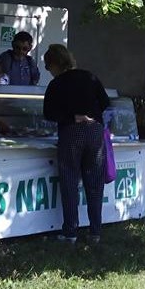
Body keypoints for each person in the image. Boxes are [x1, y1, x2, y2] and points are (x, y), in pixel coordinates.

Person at [43, 44, 110, 244]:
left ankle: (70, 231)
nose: (49, 71)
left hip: (71, 133)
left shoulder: (56, 84)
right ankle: (95, 232)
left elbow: (49, 114)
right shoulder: (90, 77)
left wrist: (73, 116)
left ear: (55, 64)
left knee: (70, 181)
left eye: (48, 66)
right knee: (95, 183)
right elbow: (105, 102)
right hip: (95, 131)